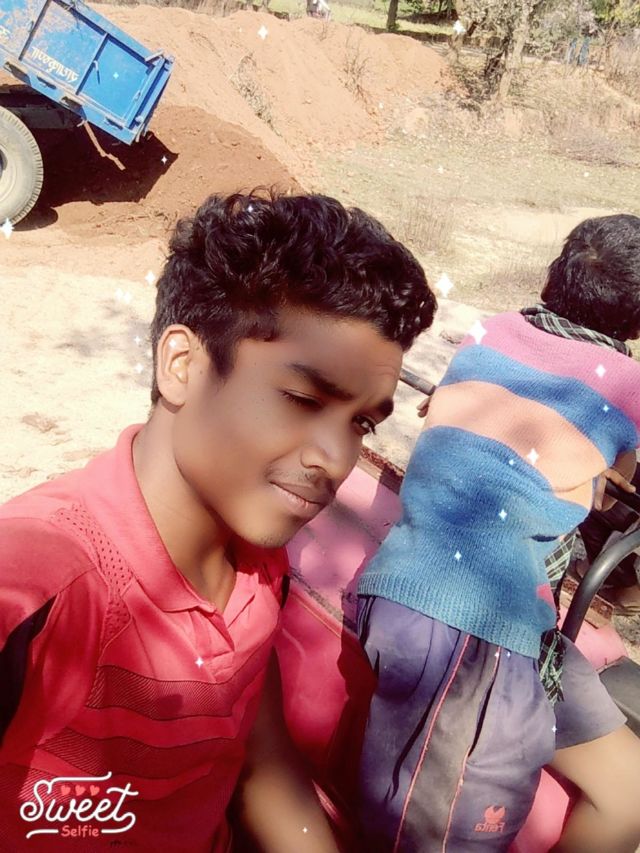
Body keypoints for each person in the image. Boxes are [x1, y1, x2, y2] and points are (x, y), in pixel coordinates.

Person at [0, 192, 436, 851]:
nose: (335, 459)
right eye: (302, 398)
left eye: (360, 424)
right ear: (183, 365)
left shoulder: (259, 569)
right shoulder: (39, 587)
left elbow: (261, 759)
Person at [357, 214, 640, 852]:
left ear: (553, 277)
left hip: (508, 622)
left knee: (630, 791)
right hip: (474, 623)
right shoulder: (629, 387)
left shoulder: (492, 331)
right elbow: (617, 479)